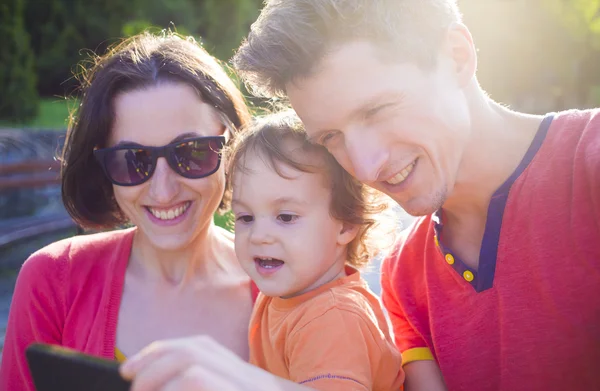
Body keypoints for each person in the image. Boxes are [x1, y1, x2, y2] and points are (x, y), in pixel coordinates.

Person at [231, 0, 600, 390]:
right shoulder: (403, 278)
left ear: (457, 57)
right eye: (331, 137)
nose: (365, 166)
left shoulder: (589, 165)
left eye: (377, 111)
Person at [0, 31, 256, 391]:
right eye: (132, 161)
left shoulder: (288, 284)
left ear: (231, 144)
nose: (163, 190)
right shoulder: (53, 281)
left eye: (191, 151)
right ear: (102, 168)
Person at [227, 112, 404, 390]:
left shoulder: (333, 318)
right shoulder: (286, 298)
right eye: (245, 217)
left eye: (285, 217)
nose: (259, 236)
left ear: (346, 223)